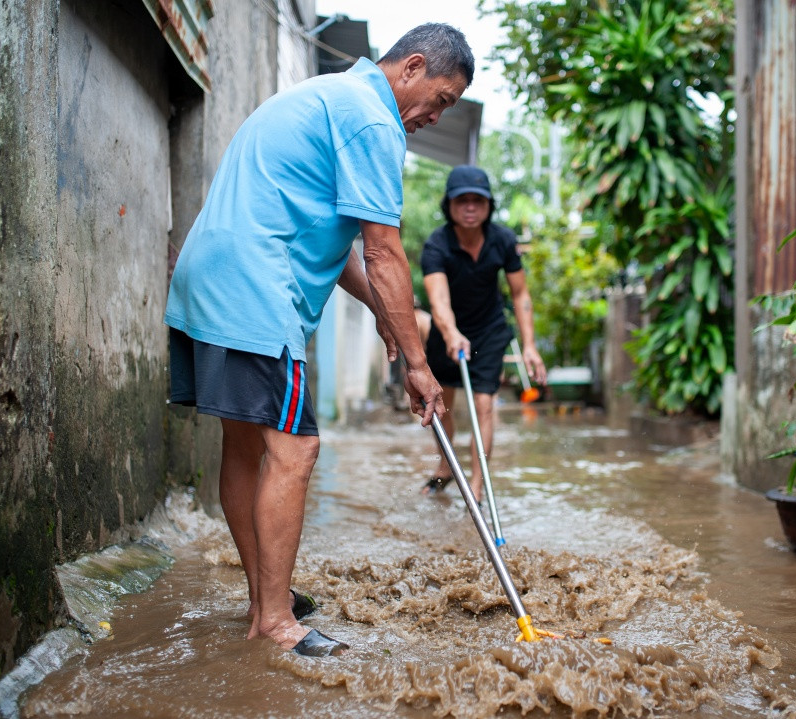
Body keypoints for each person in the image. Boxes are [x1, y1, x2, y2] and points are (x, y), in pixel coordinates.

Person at [163, 24, 473, 657]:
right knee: (297, 449)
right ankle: (275, 622)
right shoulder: (373, 120)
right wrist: (419, 364)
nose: (433, 117)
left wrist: (386, 316)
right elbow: (383, 250)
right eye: (439, 100)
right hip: (256, 286)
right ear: (411, 67)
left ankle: (262, 602)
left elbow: (340, 249)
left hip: (209, 274)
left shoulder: (332, 96)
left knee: (247, 446)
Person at [420, 165, 546, 502]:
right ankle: (445, 465)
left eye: (479, 200)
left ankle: (476, 486)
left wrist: (530, 346)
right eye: (463, 200)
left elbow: (520, 295)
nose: (471, 207)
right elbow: (439, 300)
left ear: (489, 205)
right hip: (448, 331)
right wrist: (450, 333)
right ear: (450, 205)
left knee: (484, 406)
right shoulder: (437, 245)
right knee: (441, 406)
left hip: (489, 332)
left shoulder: (503, 240)